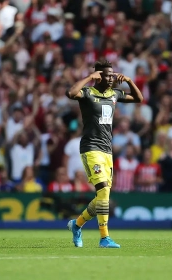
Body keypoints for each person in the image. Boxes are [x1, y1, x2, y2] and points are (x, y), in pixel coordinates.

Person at [65, 60, 143, 248]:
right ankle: (104, 238)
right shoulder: (89, 93)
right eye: (106, 75)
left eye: (112, 75)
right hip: (91, 148)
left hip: (107, 151)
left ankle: (76, 225)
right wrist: (89, 77)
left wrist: (130, 81)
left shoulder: (114, 94)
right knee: (104, 191)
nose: (110, 78)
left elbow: (138, 98)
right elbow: (71, 93)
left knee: (103, 196)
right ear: (98, 76)